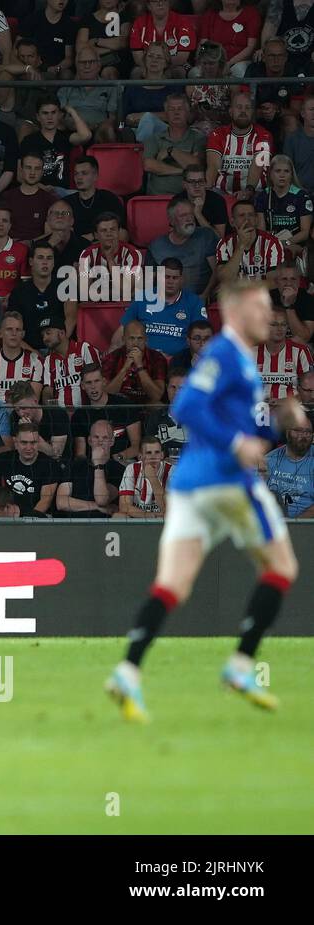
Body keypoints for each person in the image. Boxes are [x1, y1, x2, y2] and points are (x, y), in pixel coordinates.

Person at [107, 281, 309, 724]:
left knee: (172, 585)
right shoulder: (224, 353)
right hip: (227, 483)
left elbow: (237, 428)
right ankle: (240, 667)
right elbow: (188, 407)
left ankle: (127, 671)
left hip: (190, 486)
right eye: (259, 307)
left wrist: (277, 422)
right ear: (233, 311)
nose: (269, 316)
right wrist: (238, 441)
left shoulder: (241, 360)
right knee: (282, 568)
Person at [264, 423, 314, 518]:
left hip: (307, 527)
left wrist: (295, 525)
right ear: (287, 432)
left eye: (308, 432)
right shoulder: (269, 460)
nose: (303, 436)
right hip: (274, 523)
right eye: (298, 430)